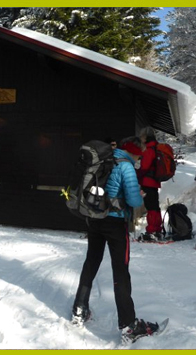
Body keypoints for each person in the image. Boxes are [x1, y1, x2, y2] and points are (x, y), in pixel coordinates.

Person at [71, 136, 160, 343]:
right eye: (140, 154)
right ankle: (129, 326)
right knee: (120, 271)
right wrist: (140, 195)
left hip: (94, 220)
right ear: (135, 151)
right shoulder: (125, 167)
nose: (140, 158)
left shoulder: (106, 160)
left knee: (91, 263)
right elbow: (132, 200)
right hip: (115, 223)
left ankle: (79, 309)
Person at [137, 127, 163, 241]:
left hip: (148, 182)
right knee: (155, 206)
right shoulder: (156, 147)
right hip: (155, 182)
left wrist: (137, 174)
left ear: (146, 137)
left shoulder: (149, 149)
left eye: (142, 136)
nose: (141, 139)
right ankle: (157, 229)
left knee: (150, 206)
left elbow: (145, 166)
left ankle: (151, 231)